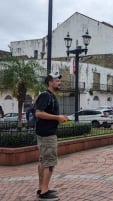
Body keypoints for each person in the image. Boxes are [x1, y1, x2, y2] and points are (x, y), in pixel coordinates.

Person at [35, 72, 68, 201]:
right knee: (50, 163)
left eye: (59, 81)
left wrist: (59, 118)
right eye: (57, 81)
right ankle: (44, 192)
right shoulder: (45, 95)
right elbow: (38, 113)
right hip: (47, 134)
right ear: (50, 82)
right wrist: (57, 117)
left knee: (44, 161)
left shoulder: (51, 96)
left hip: (46, 133)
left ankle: (42, 188)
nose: (59, 83)